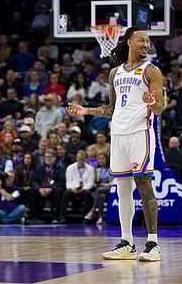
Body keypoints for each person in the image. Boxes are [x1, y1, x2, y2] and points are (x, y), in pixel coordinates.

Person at [67, 27, 163, 262]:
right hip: (118, 134)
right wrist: (85, 110)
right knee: (122, 189)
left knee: (144, 185)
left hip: (141, 133)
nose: (146, 44)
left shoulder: (152, 71)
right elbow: (112, 108)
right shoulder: (115, 73)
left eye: (148, 41)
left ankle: (153, 243)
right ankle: (127, 242)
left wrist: (151, 103)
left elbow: (159, 108)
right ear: (129, 41)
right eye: (141, 40)